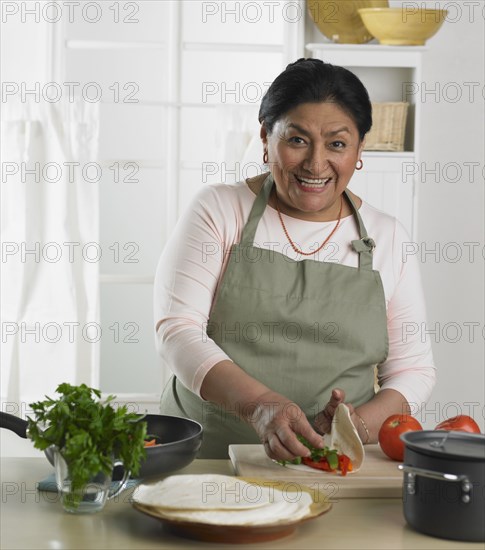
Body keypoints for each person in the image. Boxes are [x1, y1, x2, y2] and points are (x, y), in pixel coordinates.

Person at [154, 58, 436, 460]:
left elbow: (413, 371)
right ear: (266, 136)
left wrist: (356, 428)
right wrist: (261, 405)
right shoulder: (219, 209)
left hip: (331, 466)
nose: (316, 164)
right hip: (208, 461)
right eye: (297, 140)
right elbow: (177, 331)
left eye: (337, 144)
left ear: (359, 148)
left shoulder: (388, 237)